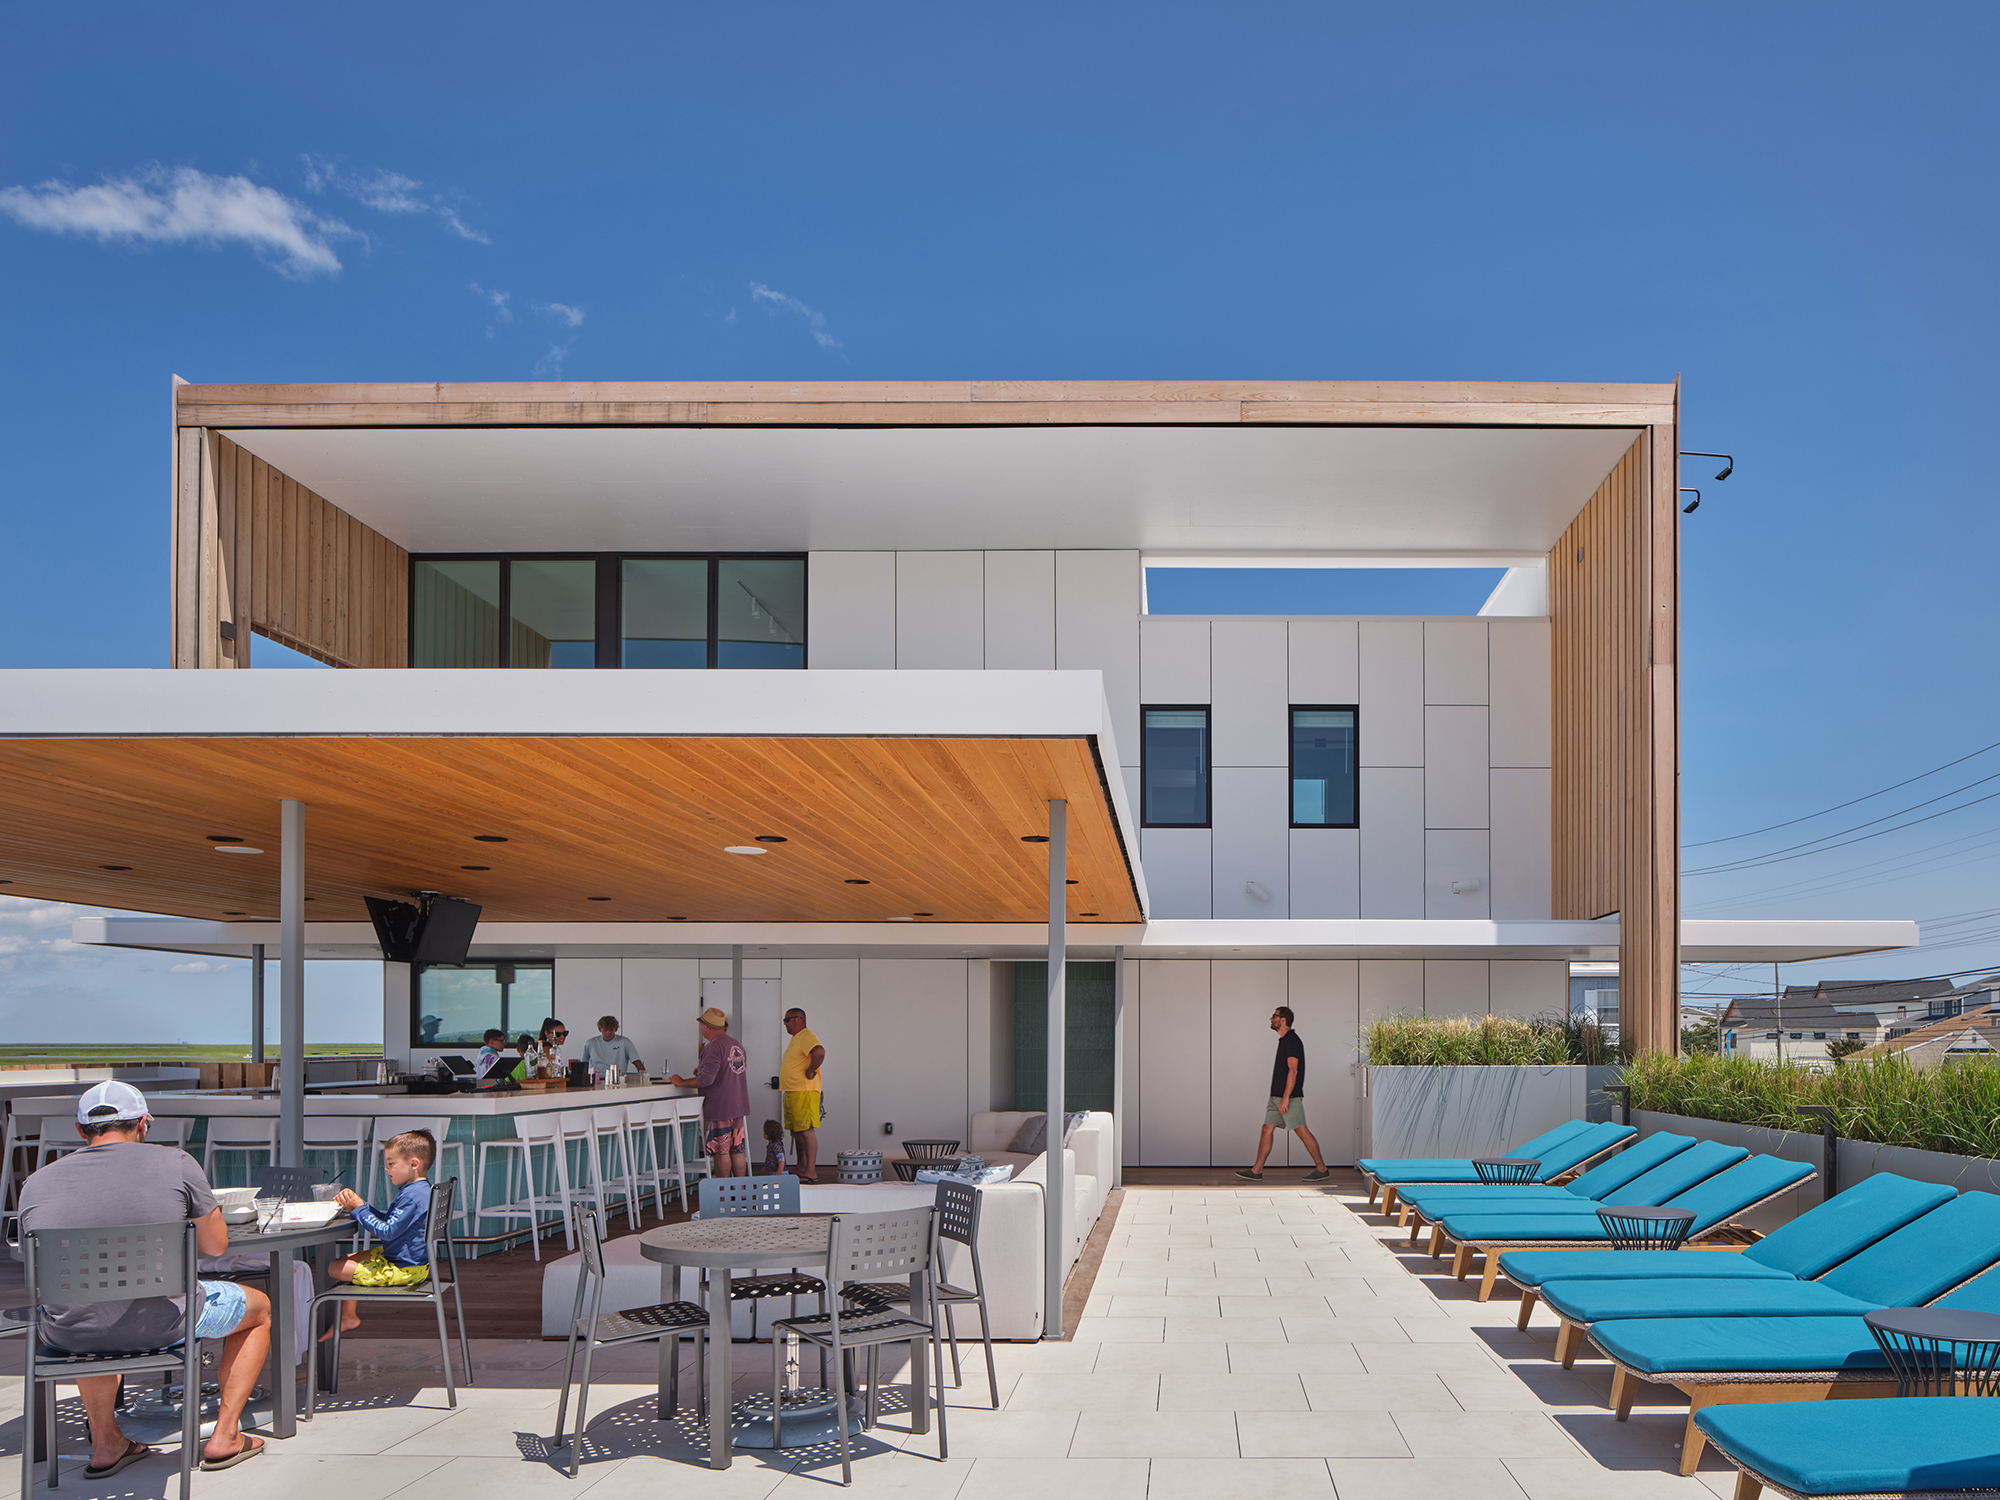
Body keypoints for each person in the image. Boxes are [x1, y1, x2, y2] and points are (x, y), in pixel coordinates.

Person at [17, 1081, 274, 1474]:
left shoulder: (36, 1183)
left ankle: (106, 1443)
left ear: (79, 1130)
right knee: (258, 1307)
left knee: (90, 1304)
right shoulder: (176, 1163)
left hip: (67, 1332)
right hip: (161, 1324)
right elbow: (217, 1245)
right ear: (142, 1124)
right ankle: (226, 1435)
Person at [325, 1130, 434, 1338]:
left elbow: (387, 1232)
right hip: (411, 1261)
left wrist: (359, 1210)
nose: (386, 1168)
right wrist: (361, 1205)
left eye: (391, 1163)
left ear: (414, 1164)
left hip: (405, 1269)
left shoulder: (413, 1196)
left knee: (334, 1267)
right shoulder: (418, 1189)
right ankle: (348, 1316)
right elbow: (390, 1222)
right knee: (348, 1259)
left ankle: (347, 1317)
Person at [1236, 1006, 1332, 1182]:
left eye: (1274, 1016)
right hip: (1277, 1097)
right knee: (1267, 1129)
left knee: (1301, 1131)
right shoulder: (1284, 1040)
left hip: (1289, 1097)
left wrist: (1286, 1098)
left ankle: (1321, 1168)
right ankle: (1256, 1170)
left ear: (1283, 1020)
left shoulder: (1292, 1041)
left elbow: (1293, 1071)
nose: (1271, 1019)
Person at [667, 1007, 749, 1177]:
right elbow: (727, 1071)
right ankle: (742, 1191)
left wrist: (680, 1081)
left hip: (720, 1107)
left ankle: (723, 1193)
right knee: (737, 1149)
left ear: (708, 1027)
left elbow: (706, 1081)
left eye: (702, 1025)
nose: (701, 1029)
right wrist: (704, 1070)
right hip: (738, 1104)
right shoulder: (736, 1044)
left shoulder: (713, 1047)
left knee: (722, 1150)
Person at [779, 1006, 825, 1182]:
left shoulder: (806, 1036)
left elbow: (819, 1052)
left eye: (787, 1020)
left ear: (799, 1019)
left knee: (806, 1131)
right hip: (793, 1092)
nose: (785, 1024)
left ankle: (810, 1171)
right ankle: (802, 1166)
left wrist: (811, 1071)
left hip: (803, 1091)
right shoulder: (796, 1039)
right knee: (797, 1131)